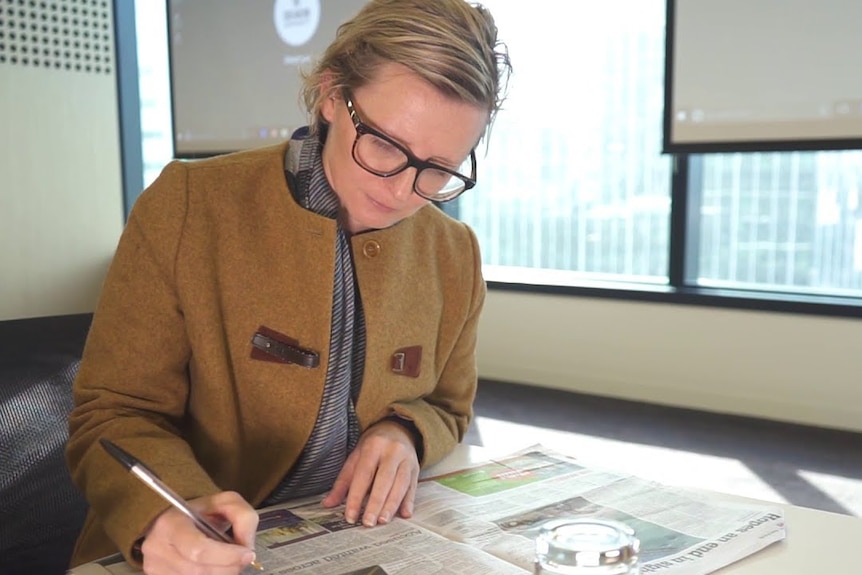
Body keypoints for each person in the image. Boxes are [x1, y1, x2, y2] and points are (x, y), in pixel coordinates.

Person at [65, 0, 511, 572]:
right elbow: (112, 414)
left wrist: (405, 432)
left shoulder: (454, 253)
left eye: (439, 170)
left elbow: (448, 407)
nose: (403, 193)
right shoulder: (188, 206)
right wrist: (165, 512)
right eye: (384, 145)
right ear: (331, 95)